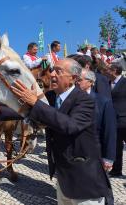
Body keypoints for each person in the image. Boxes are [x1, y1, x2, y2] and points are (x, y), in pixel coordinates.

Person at [10, 58, 111, 205]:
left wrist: (35, 103)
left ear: (73, 79)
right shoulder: (50, 97)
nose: (51, 74)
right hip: (63, 178)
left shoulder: (85, 100)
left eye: (58, 71)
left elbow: (69, 125)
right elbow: (29, 110)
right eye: (52, 70)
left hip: (84, 181)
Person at [77, 69, 116, 172]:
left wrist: (108, 158)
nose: (76, 81)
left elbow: (109, 131)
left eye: (79, 79)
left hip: (94, 154)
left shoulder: (103, 102)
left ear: (90, 82)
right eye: (75, 79)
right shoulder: (67, 99)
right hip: (72, 154)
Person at [108, 63, 126, 177]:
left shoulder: (125, 82)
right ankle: (116, 170)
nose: (106, 71)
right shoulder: (107, 83)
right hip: (113, 120)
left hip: (125, 120)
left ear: (114, 71)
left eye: (108, 69)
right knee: (116, 146)